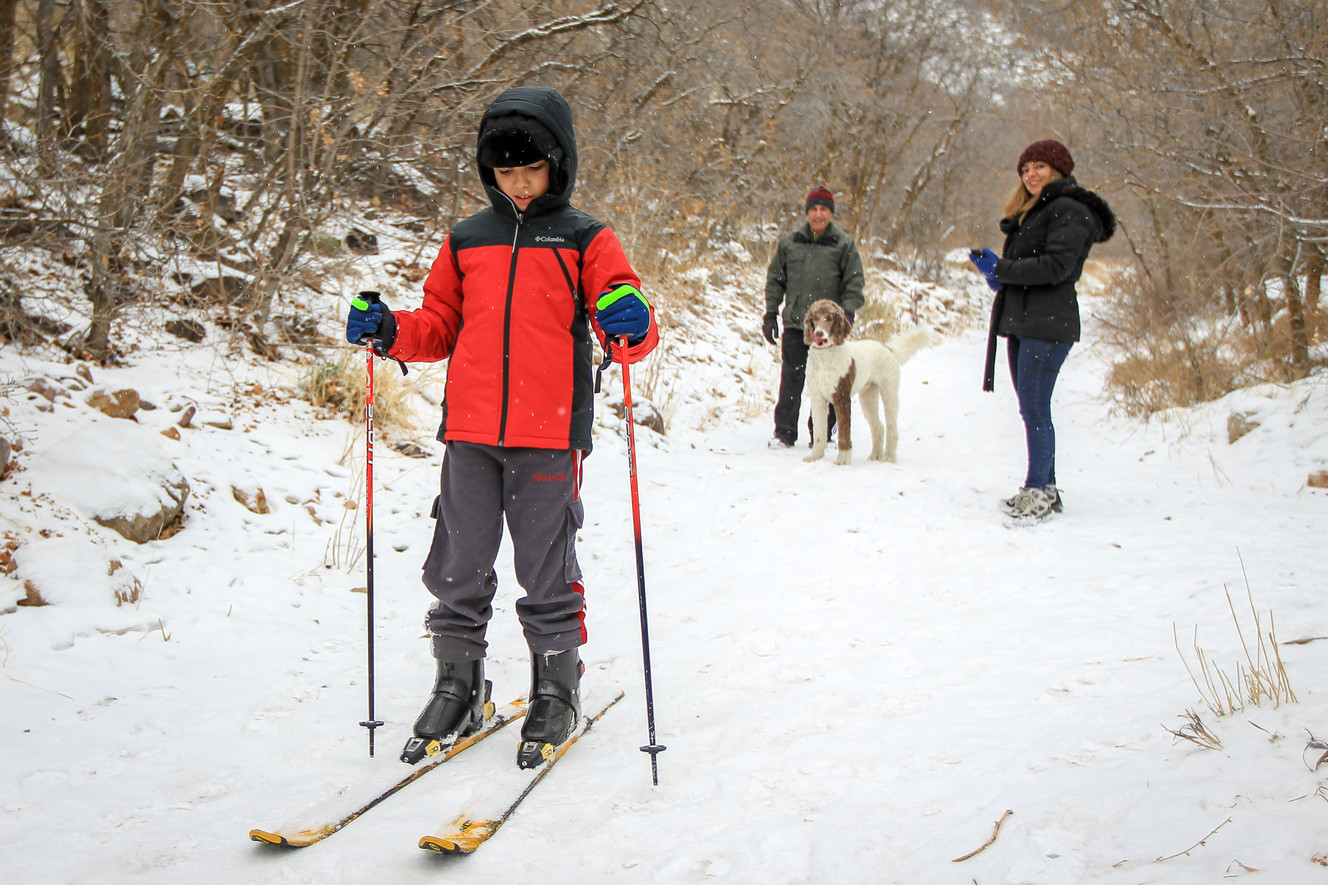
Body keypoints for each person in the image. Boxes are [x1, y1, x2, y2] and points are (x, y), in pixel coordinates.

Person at [345, 85, 658, 768]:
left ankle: (557, 685)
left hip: (549, 430)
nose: (517, 185)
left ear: (558, 163)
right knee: (457, 558)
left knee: (545, 563)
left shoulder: (585, 237)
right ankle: (459, 681)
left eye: (530, 171)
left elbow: (621, 310)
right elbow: (438, 325)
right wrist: (391, 330)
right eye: (504, 173)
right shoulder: (466, 239)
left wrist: (631, 319)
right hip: (471, 431)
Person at [969, 139, 1115, 524]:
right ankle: (1044, 489)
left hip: (1048, 322)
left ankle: (1039, 490)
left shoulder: (1071, 209)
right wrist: (994, 275)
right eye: (1025, 169)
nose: (1031, 174)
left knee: (1035, 407)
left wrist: (1002, 269)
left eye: (1040, 167)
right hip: (1023, 318)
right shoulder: (1036, 211)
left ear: (1059, 170)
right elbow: (1025, 270)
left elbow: (1056, 268)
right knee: (1030, 407)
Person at [762, 185, 865, 448]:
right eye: (814, 209)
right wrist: (771, 313)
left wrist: (848, 311)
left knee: (831, 380)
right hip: (798, 323)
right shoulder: (790, 243)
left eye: (824, 209)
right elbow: (775, 279)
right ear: (808, 212)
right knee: (792, 378)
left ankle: (821, 434)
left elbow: (854, 283)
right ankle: (784, 433)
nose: (819, 214)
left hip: (829, 330)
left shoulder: (843, 245)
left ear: (831, 213)